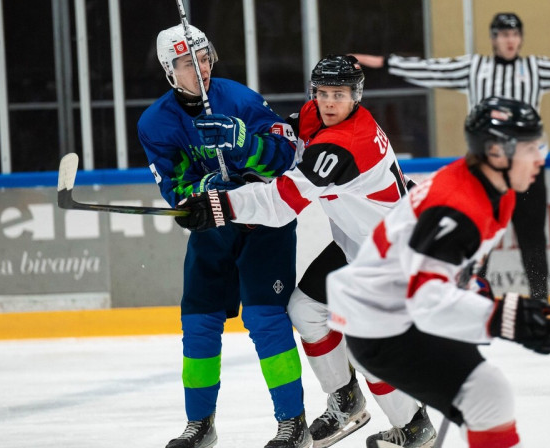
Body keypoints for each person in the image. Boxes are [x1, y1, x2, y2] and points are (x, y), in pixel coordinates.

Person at [174, 54, 437, 448]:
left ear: (356, 97)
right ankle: (346, 401)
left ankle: (415, 427)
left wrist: (220, 205)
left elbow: (283, 201)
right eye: (323, 93)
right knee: (306, 310)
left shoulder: (347, 143)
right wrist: (246, 137)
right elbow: (287, 139)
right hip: (360, 247)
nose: (329, 102)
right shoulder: (320, 116)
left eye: (340, 94)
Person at [352, 12, 550, 302]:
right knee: (476, 233)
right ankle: (470, 298)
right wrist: (374, 62)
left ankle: (540, 300)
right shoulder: (474, 68)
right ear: (493, 38)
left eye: (514, 33)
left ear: (521, 38)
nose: (509, 39)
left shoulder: (536, 69)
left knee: (532, 237)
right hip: (485, 168)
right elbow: (428, 68)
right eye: (502, 34)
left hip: (527, 167)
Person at [325, 97, 550, 448]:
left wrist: (473, 294)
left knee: (486, 394)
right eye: (531, 147)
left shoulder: (497, 190)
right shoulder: (456, 208)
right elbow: (426, 297)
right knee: (486, 393)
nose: (540, 156)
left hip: (398, 309)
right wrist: (501, 317)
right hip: (382, 324)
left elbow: (448, 269)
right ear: (497, 152)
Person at [137, 24, 310, 448]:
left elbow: (285, 157)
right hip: (215, 228)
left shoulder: (241, 99)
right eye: (187, 63)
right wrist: (196, 196)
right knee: (197, 324)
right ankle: (201, 424)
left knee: (265, 319)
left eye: (204, 57)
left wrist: (245, 143)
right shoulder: (156, 122)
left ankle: (293, 423)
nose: (201, 69)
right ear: (168, 71)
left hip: (263, 225)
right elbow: (176, 188)